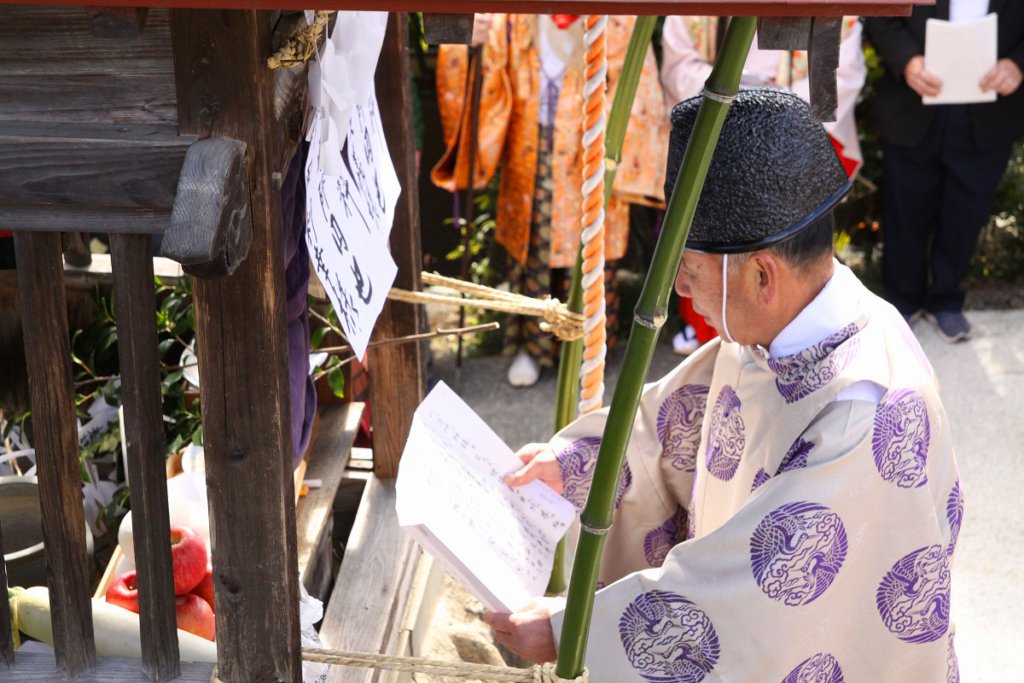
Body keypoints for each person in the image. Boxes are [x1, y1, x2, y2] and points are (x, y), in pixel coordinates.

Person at [484, 89, 962, 682]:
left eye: (690, 272)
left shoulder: (863, 414)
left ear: (762, 273)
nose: (683, 294)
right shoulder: (781, 329)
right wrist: (577, 461)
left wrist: (573, 629)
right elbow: (674, 424)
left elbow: (750, 607)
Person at [432, 14, 669, 386]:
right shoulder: (514, 15)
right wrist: (468, 46)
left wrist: (603, 140)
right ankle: (533, 347)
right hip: (532, 145)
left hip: (592, 149)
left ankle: (590, 349)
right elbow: (489, 72)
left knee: (591, 255)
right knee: (535, 251)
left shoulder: (616, 15)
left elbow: (637, 86)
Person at [660, 15, 866, 356]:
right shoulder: (697, 12)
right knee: (711, 252)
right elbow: (679, 66)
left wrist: (772, 112)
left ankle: (791, 335)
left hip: (789, 142)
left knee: (784, 253)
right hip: (714, 135)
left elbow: (839, 75)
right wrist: (735, 99)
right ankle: (706, 331)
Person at [865, 3, 1024, 342]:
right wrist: (907, 60)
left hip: (992, 105)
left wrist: (1018, 63)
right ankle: (900, 302)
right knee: (904, 207)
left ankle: (946, 300)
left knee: (966, 210)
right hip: (912, 101)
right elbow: (880, 13)